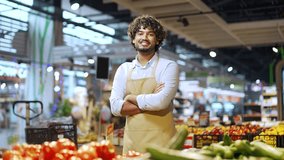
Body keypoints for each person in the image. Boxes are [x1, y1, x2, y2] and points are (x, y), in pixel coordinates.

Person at [109, 15, 179, 154]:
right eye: (140, 33)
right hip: (132, 146)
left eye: (150, 34)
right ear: (133, 39)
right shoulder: (124, 69)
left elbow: (161, 102)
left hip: (163, 145)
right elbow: (115, 107)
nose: (144, 38)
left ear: (157, 39)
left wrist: (131, 98)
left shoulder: (169, 66)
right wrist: (152, 100)